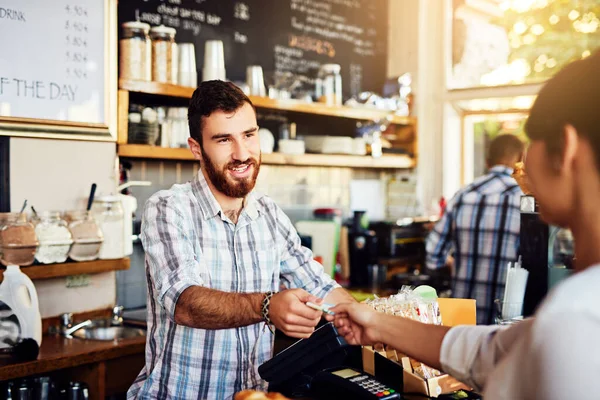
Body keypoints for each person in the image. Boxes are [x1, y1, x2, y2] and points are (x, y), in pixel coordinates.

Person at [327, 50, 600, 399]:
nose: (523, 165)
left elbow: (434, 256)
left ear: (565, 149)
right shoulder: (573, 314)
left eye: (532, 141)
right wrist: (378, 322)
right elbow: (490, 351)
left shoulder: (576, 317)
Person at [128, 80, 355, 400]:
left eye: (249, 135)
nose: (242, 153)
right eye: (223, 139)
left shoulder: (269, 214)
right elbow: (185, 304)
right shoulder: (168, 208)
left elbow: (319, 286)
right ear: (197, 148)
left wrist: (370, 320)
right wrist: (266, 306)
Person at [425, 134, 525, 324]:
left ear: (487, 161)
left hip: (462, 324)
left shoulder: (463, 195)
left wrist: (453, 264)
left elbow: (432, 254)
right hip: (504, 325)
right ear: (520, 159)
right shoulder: (524, 199)